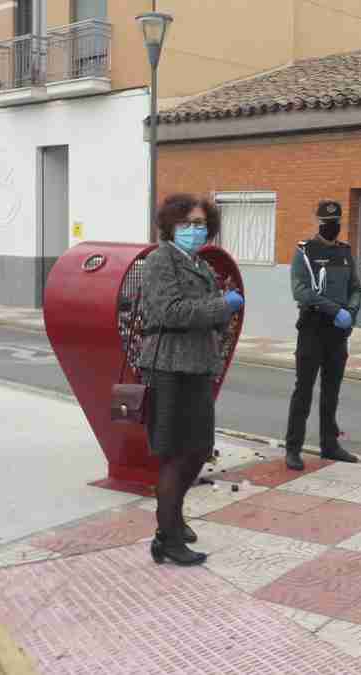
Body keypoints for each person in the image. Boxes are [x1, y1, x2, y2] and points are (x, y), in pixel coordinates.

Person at [137, 193, 243, 566]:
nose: (194, 231)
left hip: (198, 365)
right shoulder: (159, 260)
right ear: (170, 227)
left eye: (200, 224)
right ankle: (166, 537)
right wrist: (220, 305)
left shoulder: (198, 264)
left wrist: (223, 311)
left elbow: (209, 314)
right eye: (186, 224)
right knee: (176, 453)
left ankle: (173, 520)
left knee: (199, 449)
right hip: (169, 367)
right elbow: (170, 311)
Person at [283, 200, 361, 471]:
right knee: (303, 391)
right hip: (312, 329)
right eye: (328, 222)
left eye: (336, 222)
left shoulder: (344, 252)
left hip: (337, 333)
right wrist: (333, 310)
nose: (333, 227)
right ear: (319, 223)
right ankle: (293, 448)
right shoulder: (305, 252)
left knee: (332, 392)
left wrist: (350, 313)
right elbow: (301, 291)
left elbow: (356, 287)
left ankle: (330, 445)